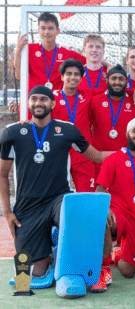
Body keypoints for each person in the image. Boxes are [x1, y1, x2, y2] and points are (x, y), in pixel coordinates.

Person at [0, 86, 109, 289]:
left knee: (76, 218)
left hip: (58, 199)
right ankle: (48, 251)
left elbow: (97, 156)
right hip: (27, 206)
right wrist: (7, 212)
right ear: (28, 103)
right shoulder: (13, 132)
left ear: (52, 103)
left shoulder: (67, 130)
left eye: (43, 99)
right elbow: (2, 174)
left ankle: (64, 249)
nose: (39, 103)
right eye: (34, 99)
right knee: (29, 276)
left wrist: (128, 153)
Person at [95, 115, 135, 292]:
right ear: (128, 134)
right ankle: (103, 270)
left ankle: (118, 252)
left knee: (128, 271)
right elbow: (100, 189)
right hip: (119, 213)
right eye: (134, 130)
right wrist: (105, 209)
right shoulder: (114, 159)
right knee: (104, 221)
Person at [51, 59, 95, 193]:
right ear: (62, 76)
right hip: (58, 151)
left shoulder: (88, 96)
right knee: (56, 194)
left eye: (76, 74)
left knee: (86, 194)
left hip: (82, 152)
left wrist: (132, 91)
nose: (72, 77)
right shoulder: (52, 97)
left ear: (81, 78)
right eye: (68, 73)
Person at [12, 12, 85, 92]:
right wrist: (18, 49)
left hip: (58, 101)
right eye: (43, 28)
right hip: (34, 100)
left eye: (50, 28)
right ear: (38, 30)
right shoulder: (29, 49)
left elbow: (90, 63)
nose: (46, 32)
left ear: (57, 31)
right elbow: (18, 76)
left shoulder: (68, 53)